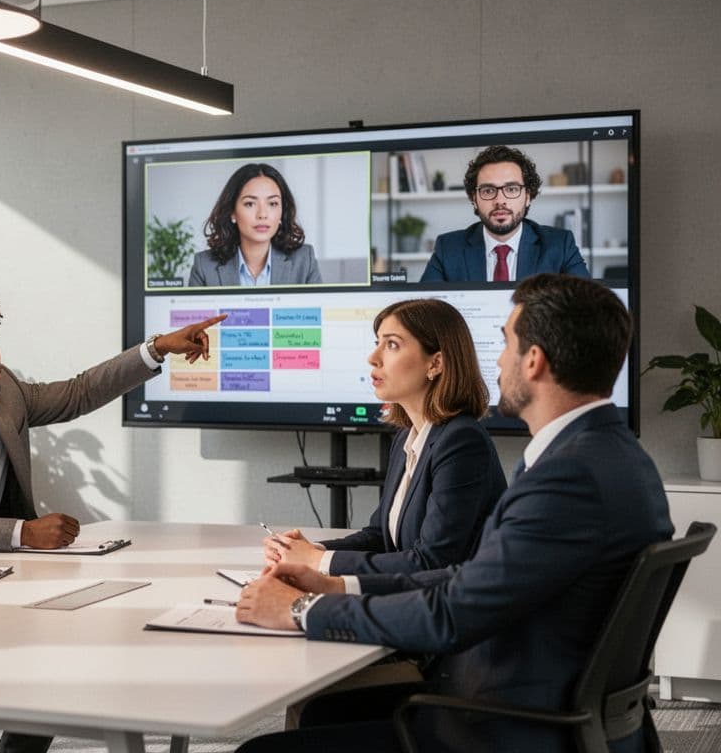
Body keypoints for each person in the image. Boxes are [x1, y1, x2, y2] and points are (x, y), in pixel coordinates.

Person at [235, 274, 672, 753]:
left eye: (505, 342)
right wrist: (336, 583)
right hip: (543, 703)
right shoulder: (610, 457)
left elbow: (450, 612)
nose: (499, 360)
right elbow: (469, 578)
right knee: (320, 712)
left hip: (504, 724)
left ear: (534, 361)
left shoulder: (568, 478)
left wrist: (302, 610)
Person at [0, 282, 224, 552]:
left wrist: (158, 347)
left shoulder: (5, 392)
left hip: (4, 569)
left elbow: (79, 392)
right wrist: (22, 532)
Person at [264, 298, 504, 576]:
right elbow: (380, 537)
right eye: (377, 342)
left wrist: (317, 563)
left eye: (391, 344)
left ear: (435, 363)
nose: (373, 357)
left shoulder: (462, 442)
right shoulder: (406, 438)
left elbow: (430, 562)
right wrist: (311, 551)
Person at [420, 145, 590, 282]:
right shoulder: (448, 248)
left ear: (528, 197)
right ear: (474, 199)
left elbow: (589, 308)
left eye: (511, 189)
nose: (500, 200)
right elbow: (425, 313)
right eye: (488, 190)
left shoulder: (560, 246)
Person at [187, 163, 322, 287]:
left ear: (282, 211)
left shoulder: (305, 261)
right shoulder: (204, 266)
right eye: (250, 204)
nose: (262, 214)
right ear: (232, 212)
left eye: (273, 204)